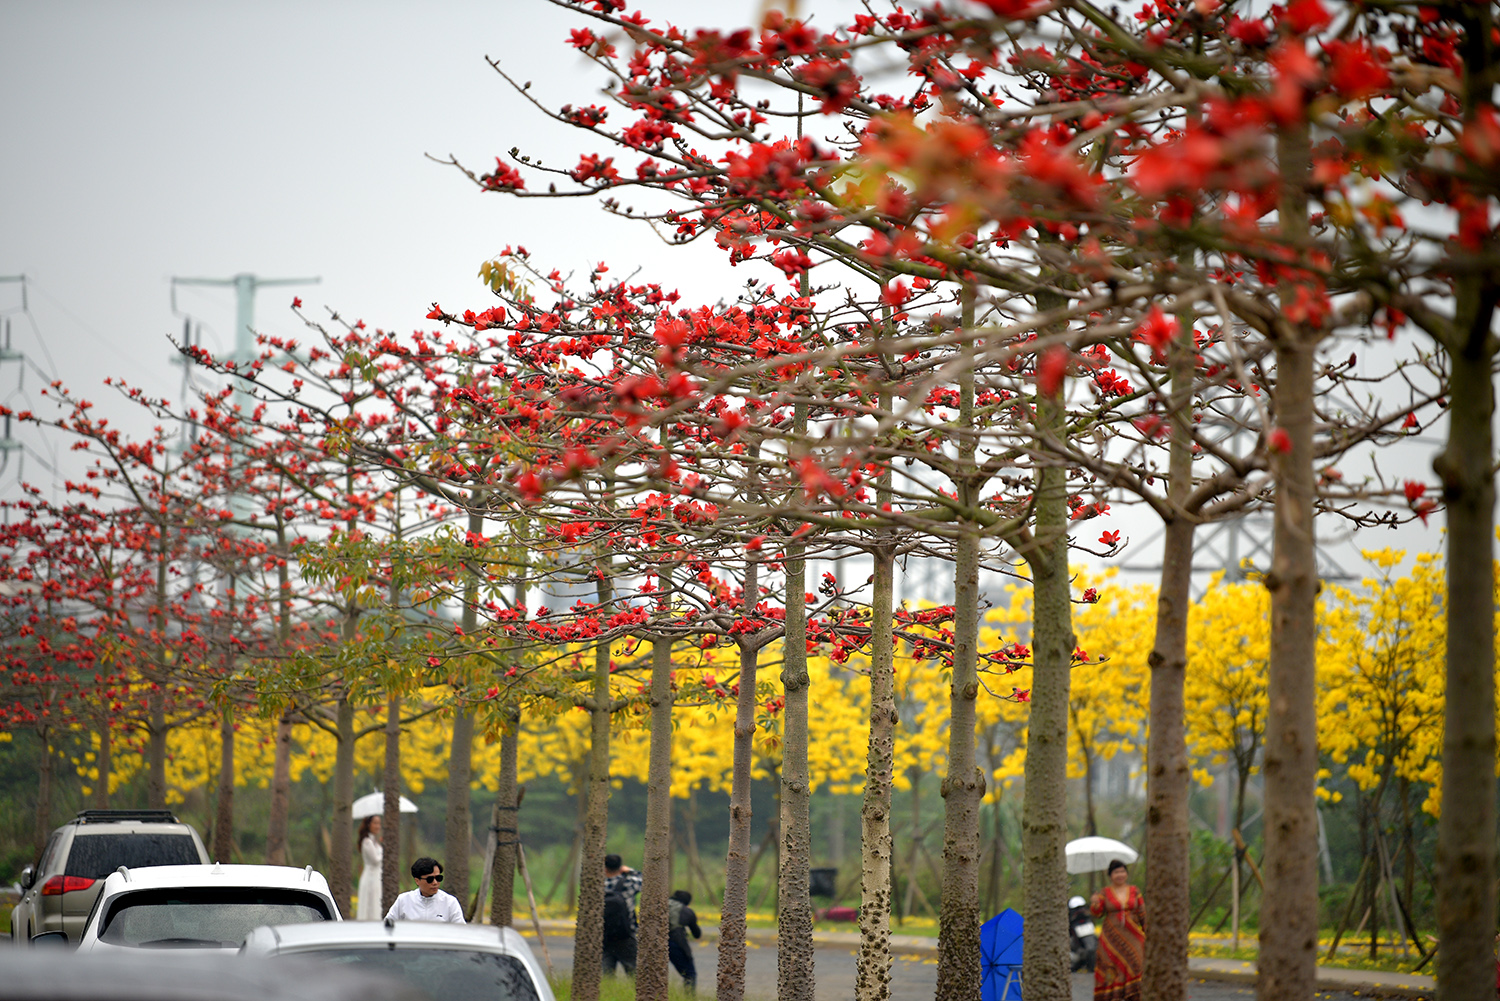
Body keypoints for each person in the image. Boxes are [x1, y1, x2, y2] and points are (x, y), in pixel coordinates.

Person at [1089, 859, 1145, 1001]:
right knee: (1112, 971)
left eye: (1122, 871)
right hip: (1111, 941)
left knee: (1137, 967)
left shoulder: (1135, 890)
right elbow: (1097, 913)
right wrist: (1095, 902)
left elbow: (1143, 913)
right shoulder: (1105, 892)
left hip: (1134, 939)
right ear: (1110, 875)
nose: (1120, 875)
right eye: (1116, 872)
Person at [385, 857, 466, 924]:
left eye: (438, 878)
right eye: (430, 879)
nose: (435, 883)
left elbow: (460, 932)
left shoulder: (450, 902)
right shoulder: (403, 900)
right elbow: (387, 926)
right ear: (417, 881)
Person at [602, 853, 641, 975]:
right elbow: (646, 880)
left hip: (604, 935)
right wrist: (630, 871)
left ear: (605, 868)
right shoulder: (629, 883)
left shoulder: (598, 884)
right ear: (620, 867)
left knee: (606, 974)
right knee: (633, 972)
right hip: (625, 934)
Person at [668, 889, 702, 993]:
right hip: (675, 943)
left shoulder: (661, 904)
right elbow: (697, 934)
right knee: (689, 974)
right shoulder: (686, 911)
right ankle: (689, 997)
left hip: (654, 941)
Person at [355, 816, 383, 920]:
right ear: (368, 824)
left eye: (379, 823)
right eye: (375, 823)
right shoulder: (367, 842)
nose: (378, 826)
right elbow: (375, 860)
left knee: (376, 904)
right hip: (370, 878)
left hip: (377, 878)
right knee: (370, 905)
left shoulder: (374, 842)